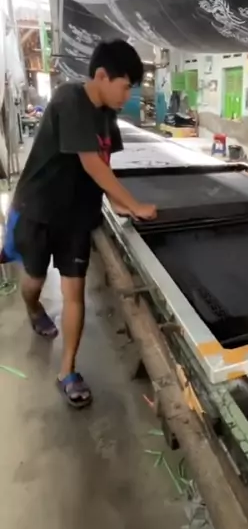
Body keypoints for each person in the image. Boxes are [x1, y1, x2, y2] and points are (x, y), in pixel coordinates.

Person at [1, 40, 157, 409]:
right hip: (39, 209)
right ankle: (33, 308)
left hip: (77, 216)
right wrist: (134, 203)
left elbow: (104, 162)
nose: (128, 96)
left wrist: (117, 203)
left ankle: (67, 371)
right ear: (102, 76)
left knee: (74, 292)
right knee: (33, 281)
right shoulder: (69, 99)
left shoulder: (108, 115)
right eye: (125, 87)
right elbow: (91, 163)